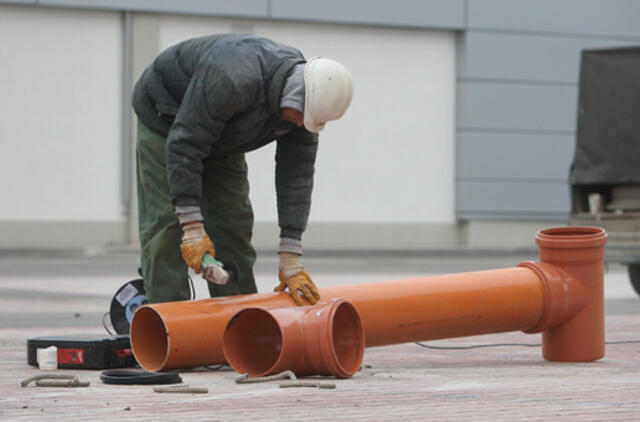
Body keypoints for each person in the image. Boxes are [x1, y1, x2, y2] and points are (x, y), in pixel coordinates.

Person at [131, 33, 353, 306]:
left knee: (233, 223)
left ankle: (240, 325)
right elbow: (185, 144)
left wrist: (291, 255)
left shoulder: (305, 114)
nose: (299, 124)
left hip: (221, 134)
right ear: (294, 96)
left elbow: (296, 180)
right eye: (299, 116)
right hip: (166, 120)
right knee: (167, 227)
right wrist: (191, 226)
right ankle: (165, 328)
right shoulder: (233, 78)